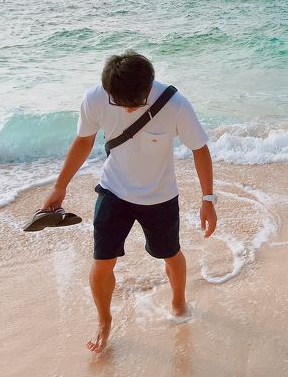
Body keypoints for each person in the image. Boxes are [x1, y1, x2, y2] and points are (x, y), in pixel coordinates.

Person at [41, 49, 217, 353]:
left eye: (134, 104)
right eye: (119, 103)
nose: (127, 111)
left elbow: (199, 149)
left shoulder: (175, 105)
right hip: (114, 190)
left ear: (148, 89)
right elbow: (84, 141)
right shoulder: (95, 98)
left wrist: (208, 199)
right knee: (102, 261)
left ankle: (178, 302)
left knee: (171, 253)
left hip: (160, 196)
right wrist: (60, 186)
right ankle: (104, 321)